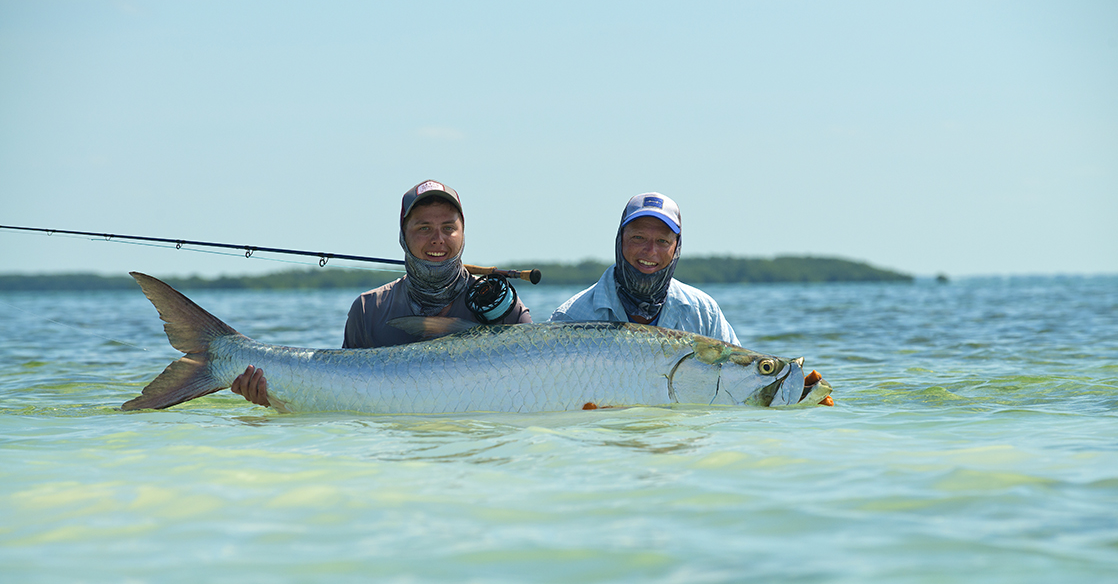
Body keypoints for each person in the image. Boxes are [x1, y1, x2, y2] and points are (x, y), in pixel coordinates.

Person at [232, 179, 532, 406]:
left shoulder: (504, 308)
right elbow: (343, 397)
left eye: (449, 228)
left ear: (463, 233)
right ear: (403, 236)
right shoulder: (368, 309)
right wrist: (276, 398)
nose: (438, 239)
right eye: (424, 228)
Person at [549, 192, 740, 346]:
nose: (650, 251)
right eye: (638, 238)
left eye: (662, 241)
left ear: (676, 248)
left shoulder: (704, 313)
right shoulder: (571, 317)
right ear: (620, 240)